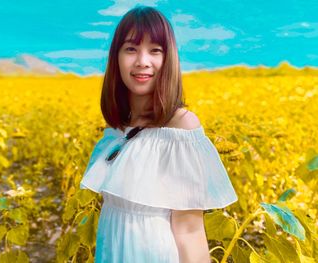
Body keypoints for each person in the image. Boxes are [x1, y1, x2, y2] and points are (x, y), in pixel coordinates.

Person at [80, 5, 238, 263]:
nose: (142, 61)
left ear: (168, 59)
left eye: (155, 50)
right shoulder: (118, 128)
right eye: (131, 49)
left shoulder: (181, 127)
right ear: (116, 57)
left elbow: (189, 231)